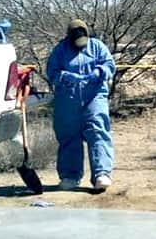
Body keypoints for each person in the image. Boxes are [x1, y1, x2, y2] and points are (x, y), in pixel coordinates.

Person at [46, 19, 117, 192]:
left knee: (98, 131)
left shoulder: (97, 46)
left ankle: (102, 174)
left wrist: (100, 72)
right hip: (67, 100)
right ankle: (70, 176)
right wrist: (63, 77)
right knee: (69, 136)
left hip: (94, 97)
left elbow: (109, 64)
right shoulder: (60, 50)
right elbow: (51, 72)